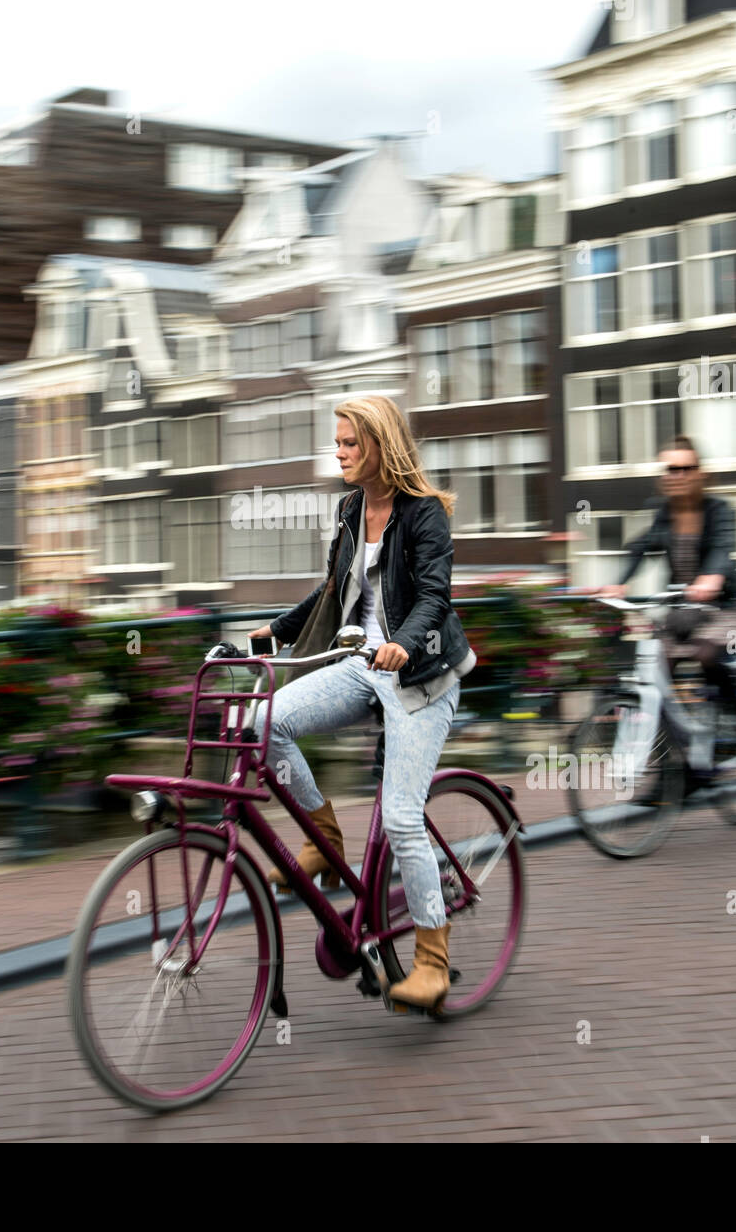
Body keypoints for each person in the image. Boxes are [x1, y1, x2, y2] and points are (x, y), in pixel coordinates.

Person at [248, 395, 476, 1011]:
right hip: (360, 666)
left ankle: (433, 958)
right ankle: (323, 837)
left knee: (402, 818)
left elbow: (435, 596)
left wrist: (403, 643)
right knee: (262, 721)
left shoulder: (424, 514)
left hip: (420, 676)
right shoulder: (351, 509)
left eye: (350, 443)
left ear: (381, 445)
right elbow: (335, 590)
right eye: (338, 442)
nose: (340, 452)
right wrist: (278, 629)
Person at [599, 435, 736, 724]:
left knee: (707, 655)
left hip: (722, 610)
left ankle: (734, 714)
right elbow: (640, 547)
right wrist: (619, 583)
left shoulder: (720, 511)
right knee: (655, 666)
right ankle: (673, 742)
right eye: (671, 469)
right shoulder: (664, 514)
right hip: (682, 612)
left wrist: (712, 578)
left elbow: (722, 547)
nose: (678, 475)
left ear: (700, 473)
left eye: (686, 468)